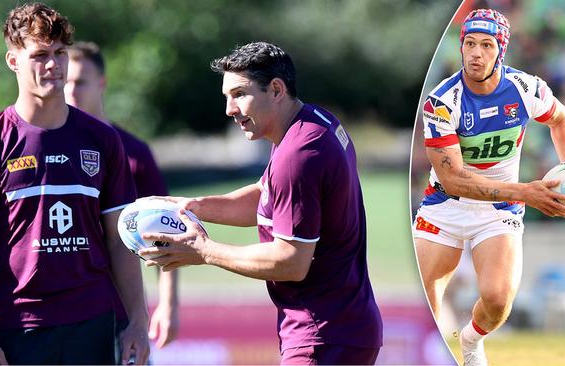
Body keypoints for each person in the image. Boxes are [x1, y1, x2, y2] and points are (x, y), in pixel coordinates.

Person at [137, 41, 383, 365]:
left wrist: (205, 251)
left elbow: (291, 262)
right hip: (342, 329)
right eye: (227, 97)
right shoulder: (310, 122)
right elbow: (267, 196)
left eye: (239, 94)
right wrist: (194, 205)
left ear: (276, 90)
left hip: (324, 336)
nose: (229, 109)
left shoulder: (298, 155)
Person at [0, 3, 150, 365]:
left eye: (60, 53)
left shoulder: (102, 140)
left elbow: (120, 239)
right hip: (18, 323)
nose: (53, 65)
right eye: (40, 54)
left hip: (91, 318)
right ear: (13, 60)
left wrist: (138, 320)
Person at [413, 9, 565, 366]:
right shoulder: (441, 102)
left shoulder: (526, 88)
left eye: (486, 45)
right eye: (469, 43)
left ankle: (470, 340)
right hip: (445, 205)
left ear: (500, 50)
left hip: (498, 212)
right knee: (424, 300)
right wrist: (525, 192)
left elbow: (561, 119)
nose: (475, 53)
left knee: (498, 300)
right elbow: (454, 178)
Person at [64, 41, 179, 355]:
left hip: (119, 314)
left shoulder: (134, 154)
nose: (71, 90)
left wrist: (168, 305)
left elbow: (165, 234)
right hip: (62, 313)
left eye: (80, 82)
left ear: (101, 83)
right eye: (66, 81)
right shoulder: (48, 149)